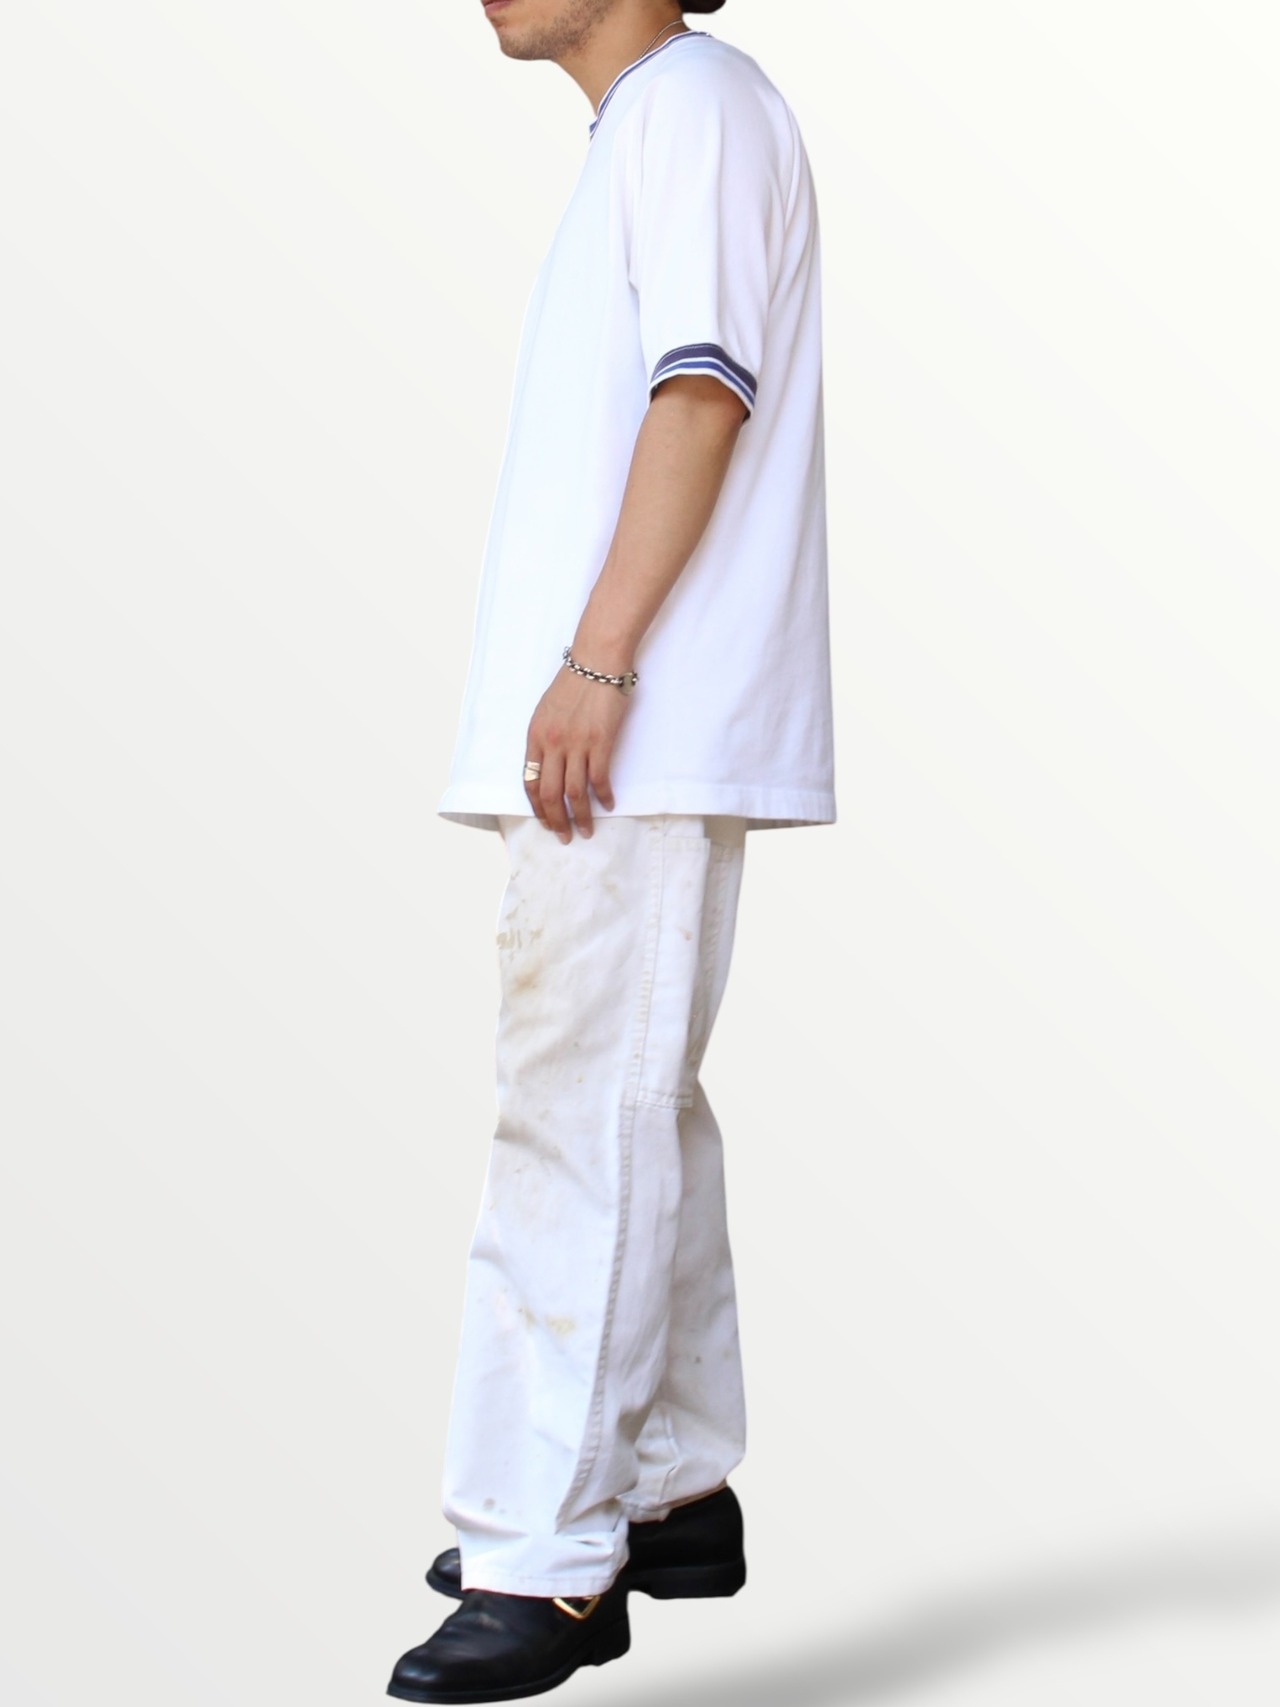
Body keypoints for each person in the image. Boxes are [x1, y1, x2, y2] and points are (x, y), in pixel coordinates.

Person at [387, 1, 835, 1698]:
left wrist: (597, 665)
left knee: (575, 1119)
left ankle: (546, 1554)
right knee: (640, 1100)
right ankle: (669, 1489)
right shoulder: (655, 123)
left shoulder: (694, 102)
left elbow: (702, 393)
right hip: (633, 724)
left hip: (632, 729)